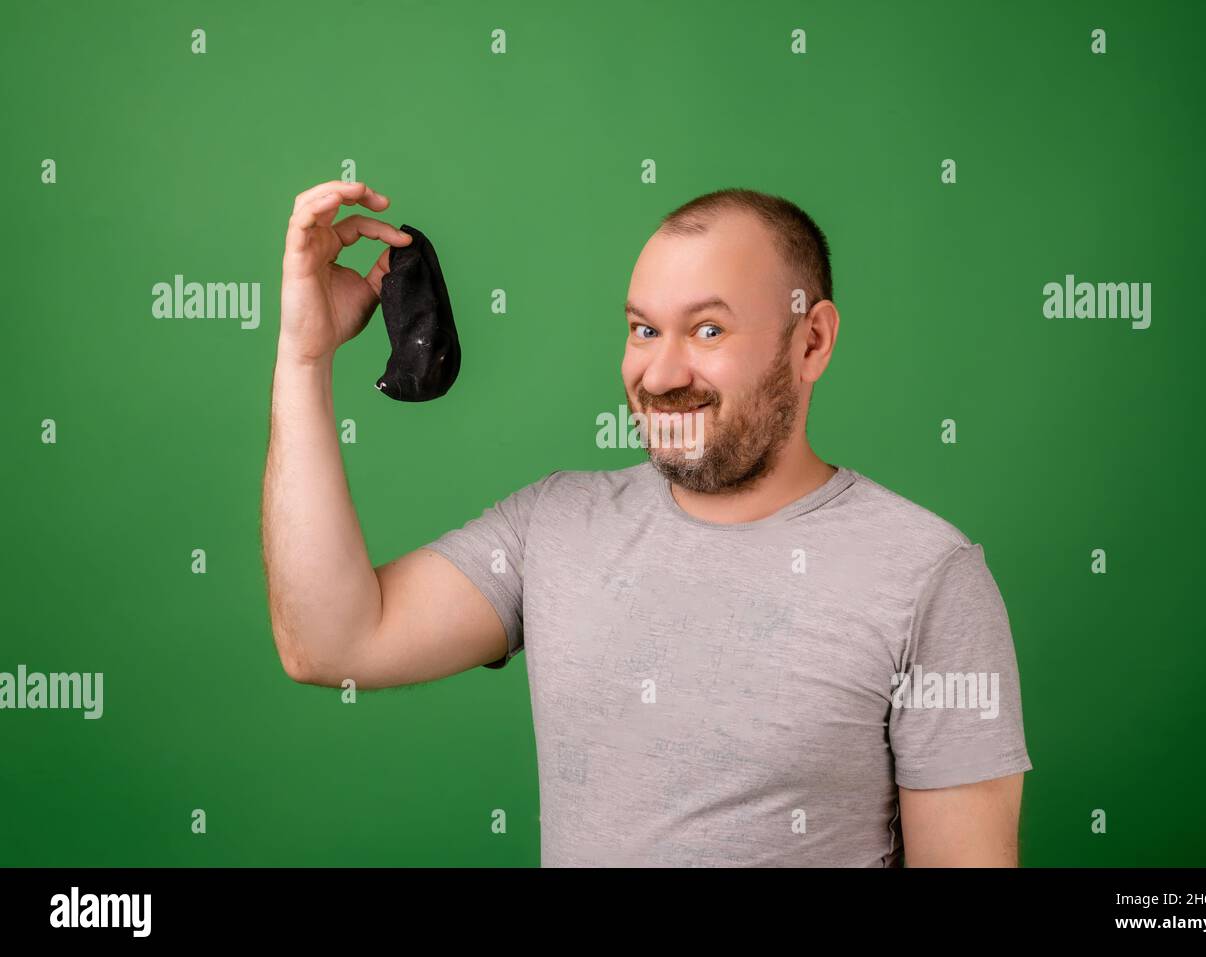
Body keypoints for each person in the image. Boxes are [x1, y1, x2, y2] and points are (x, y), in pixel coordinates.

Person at [261, 180, 1033, 867]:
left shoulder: (928, 576)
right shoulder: (553, 526)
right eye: (643, 329)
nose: (660, 375)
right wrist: (304, 356)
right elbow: (330, 641)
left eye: (707, 331)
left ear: (812, 341)